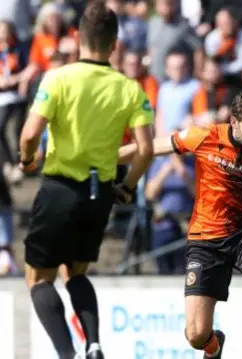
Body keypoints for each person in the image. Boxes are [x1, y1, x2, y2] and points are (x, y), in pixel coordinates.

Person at [118, 88, 242, 359]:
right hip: (205, 240)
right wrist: (107, 158)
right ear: (233, 120)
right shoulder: (204, 136)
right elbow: (150, 148)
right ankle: (215, 347)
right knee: (196, 335)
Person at [18, 2, 155, 359]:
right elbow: (145, 149)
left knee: (40, 278)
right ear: (114, 44)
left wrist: (27, 158)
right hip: (99, 194)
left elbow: (30, 133)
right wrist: (127, 187)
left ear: (77, 37)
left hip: (60, 189)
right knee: (76, 272)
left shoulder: (59, 78)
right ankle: (93, 344)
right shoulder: (130, 89)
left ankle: (68, 354)